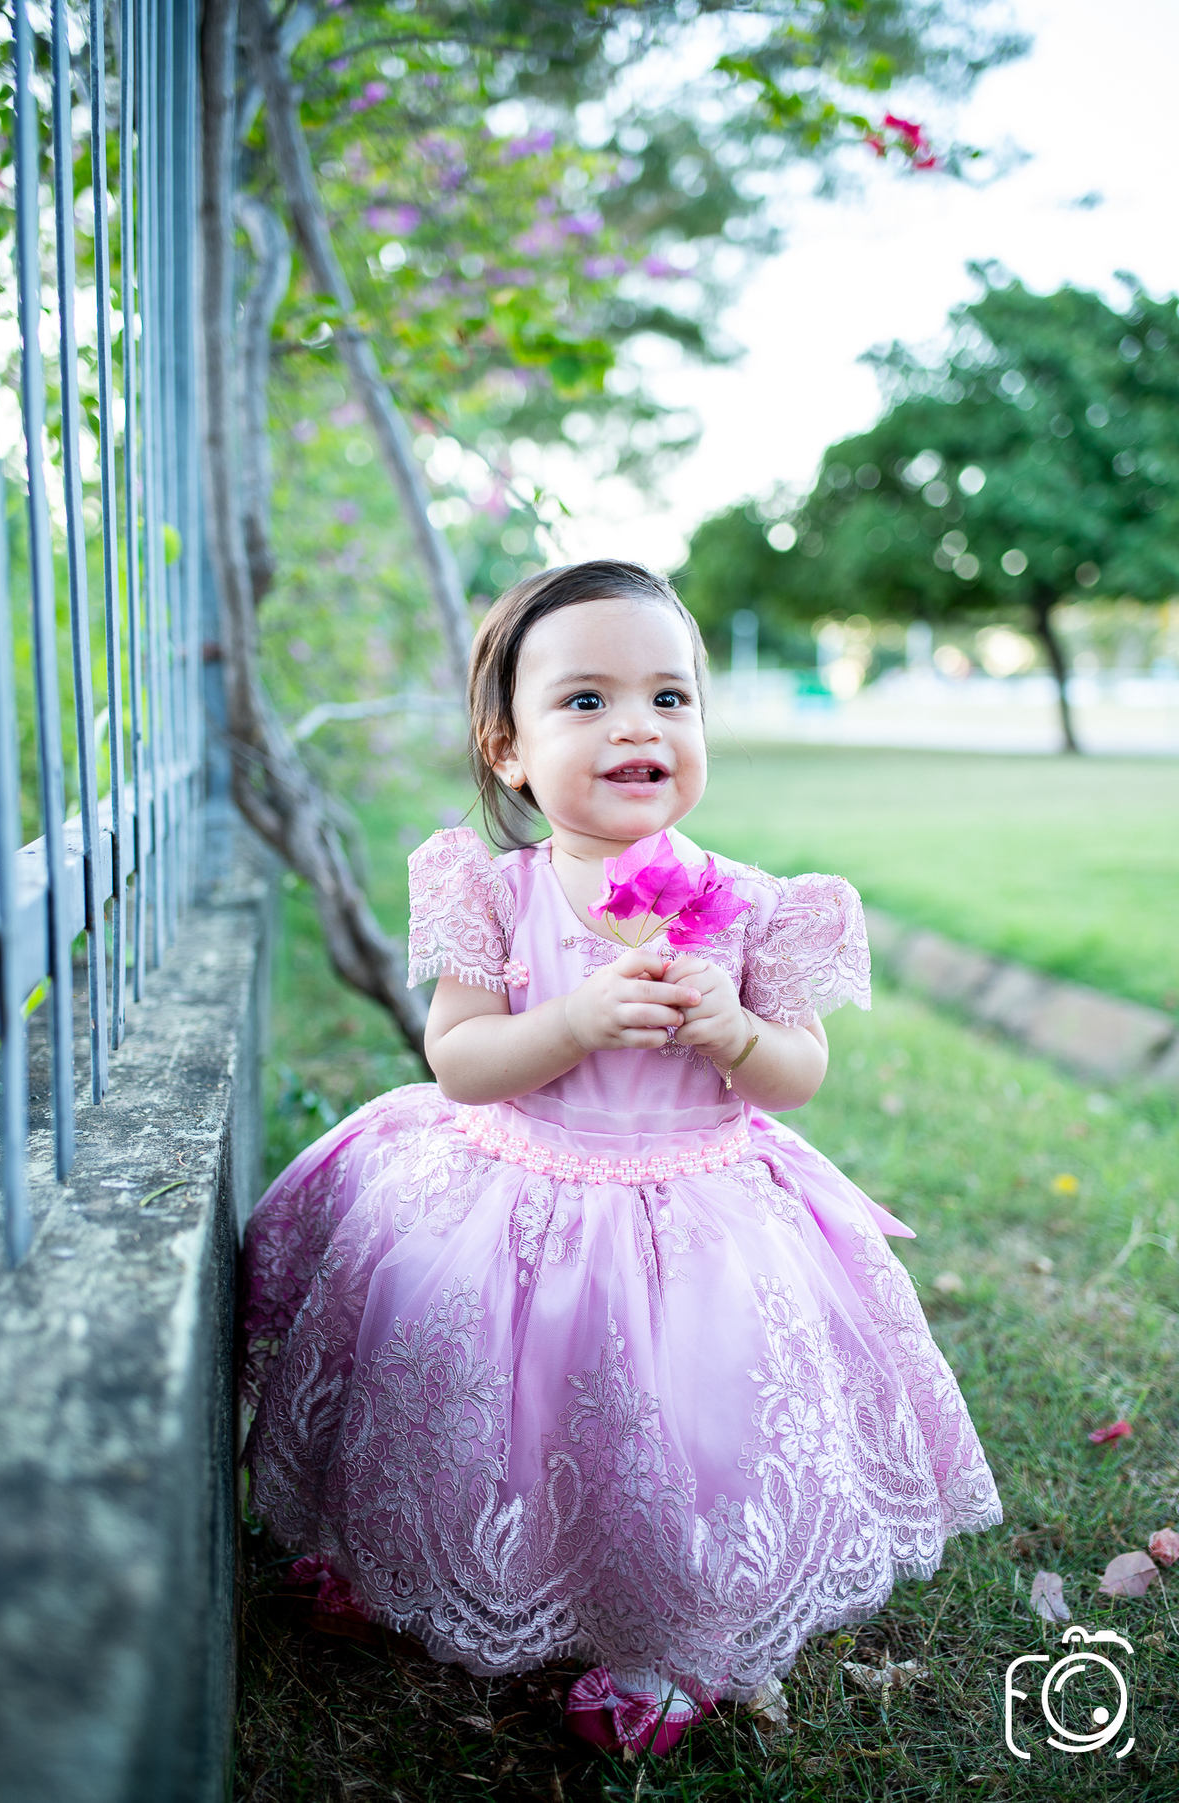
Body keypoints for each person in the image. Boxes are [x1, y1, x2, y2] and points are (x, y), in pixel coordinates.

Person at [241, 560, 1001, 1756]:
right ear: (509, 749)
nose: (638, 724)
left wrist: (736, 1031)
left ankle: (662, 1639)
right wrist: (573, 1023)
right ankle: (403, 1567)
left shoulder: (753, 904)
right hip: (511, 1184)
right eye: (585, 701)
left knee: (676, 1426)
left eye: (670, 697)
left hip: (697, 1208)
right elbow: (461, 1057)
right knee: (461, 1398)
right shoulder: (492, 891)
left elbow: (796, 1073)